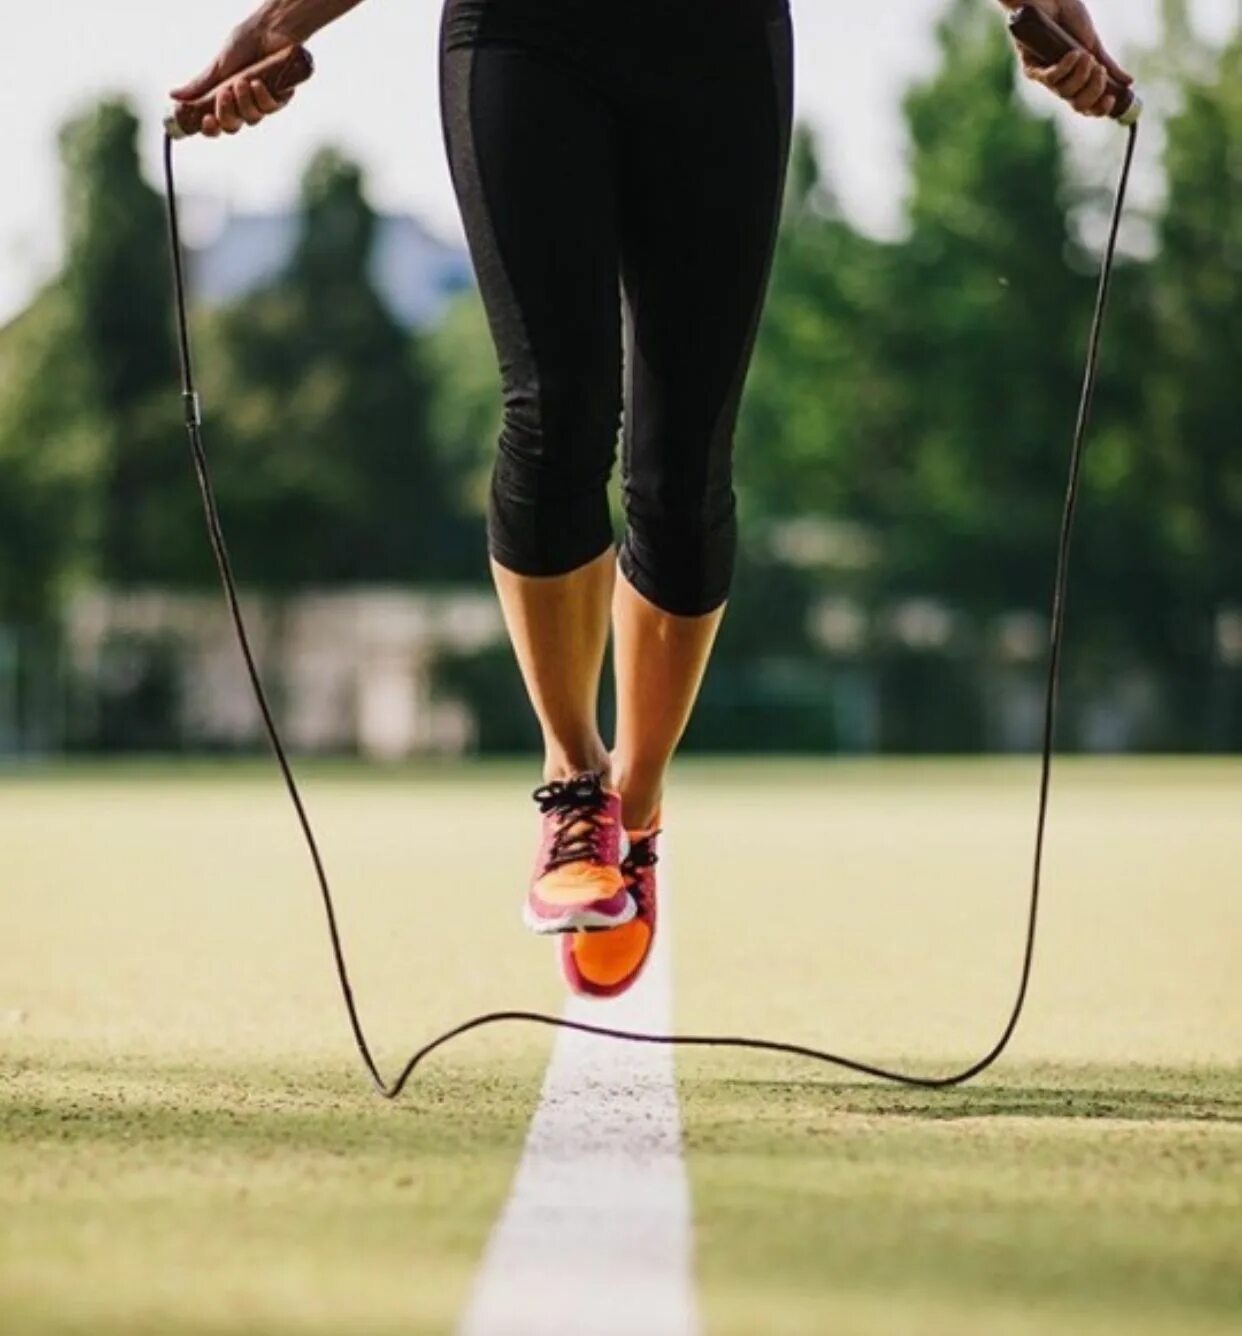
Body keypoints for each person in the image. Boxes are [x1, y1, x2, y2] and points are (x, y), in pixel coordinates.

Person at [173, 0, 1131, 1000]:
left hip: (718, 44)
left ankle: (638, 799)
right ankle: (575, 784)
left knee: (681, 472)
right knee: (554, 413)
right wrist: (281, 22)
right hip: (521, 32)